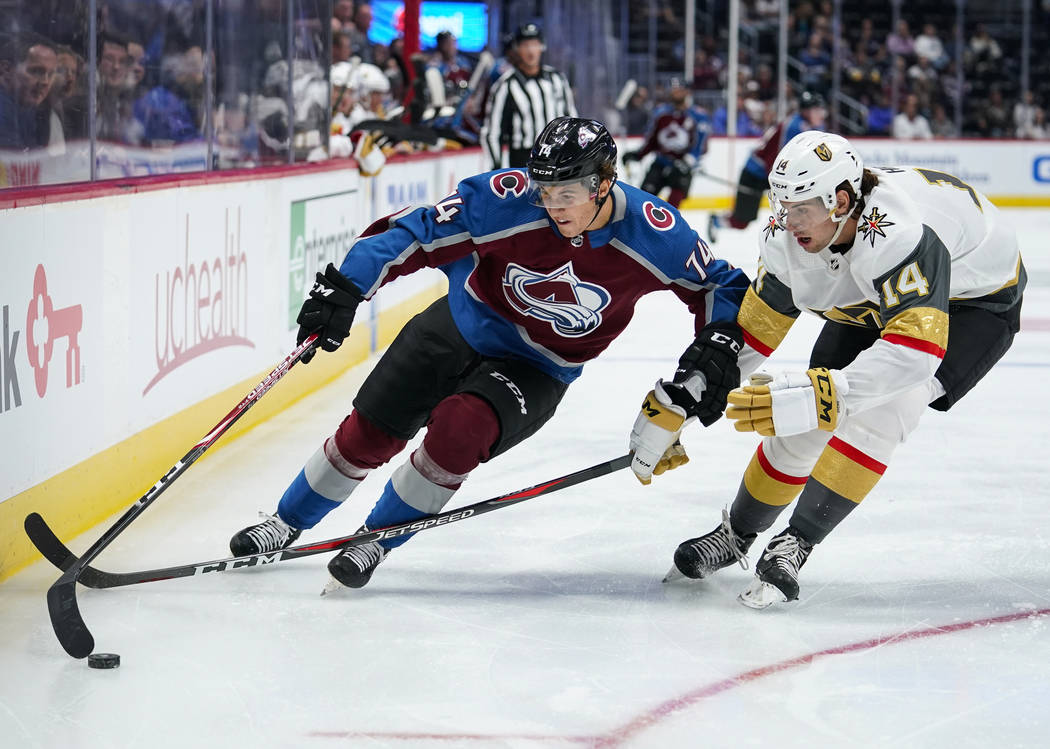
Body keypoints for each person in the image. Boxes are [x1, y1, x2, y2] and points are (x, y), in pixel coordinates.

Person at [228, 117, 749, 591]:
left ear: (604, 183)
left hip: (539, 367)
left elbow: (718, 285)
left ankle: (376, 538)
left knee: (459, 431)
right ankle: (286, 523)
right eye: (545, 191)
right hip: (459, 323)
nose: (553, 205)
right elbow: (416, 231)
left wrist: (714, 352)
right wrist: (349, 285)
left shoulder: (655, 234)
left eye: (567, 192)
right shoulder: (508, 199)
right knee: (370, 432)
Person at [657, 131, 1025, 609]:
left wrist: (825, 392)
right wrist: (685, 404)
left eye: (800, 208)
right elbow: (753, 335)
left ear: (841, 201)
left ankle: (798, 542)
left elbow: (915, 352)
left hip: (973, 302)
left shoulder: (900, 232)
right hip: (875, 291)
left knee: (881, 410)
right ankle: (736, 534)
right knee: (808, 415)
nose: (786, 222)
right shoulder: (791, 233)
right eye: (782, 205)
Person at [707, 90, 826, 241]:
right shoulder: (794, 126)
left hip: (770, 174)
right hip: (755, 175)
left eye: (821, 110)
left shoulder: (809, 126)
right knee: (742, 221)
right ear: (805, 111)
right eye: (817, 110)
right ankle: (716, 220)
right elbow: (779, 158)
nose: (821, 114)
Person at [480, 23, 576, 169]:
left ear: (542, 47)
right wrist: (497, 169)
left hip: (558, 155)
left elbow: (571, 119)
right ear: (517, 49)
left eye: (535, 44)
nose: (531, 51)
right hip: (524, 159)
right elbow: (492, 133)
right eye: (525, 45)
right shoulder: (505, 85)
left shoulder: (557, 78)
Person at [622, 83, 711, 208]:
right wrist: (639, 154)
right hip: (661, 162)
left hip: (682, 168)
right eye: (674, 89)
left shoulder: (698, 117)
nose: (676, 92)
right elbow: (652, 140)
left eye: (679, 89)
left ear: (686, 92)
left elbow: (701, 146)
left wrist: (687, 162)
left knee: (671, 210)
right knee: (642, 202)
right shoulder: (661, 113)